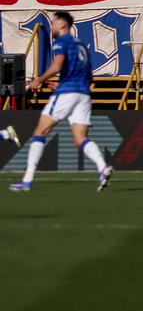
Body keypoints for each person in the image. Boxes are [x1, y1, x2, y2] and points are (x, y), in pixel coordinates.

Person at [10, 11, 112, 192]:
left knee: (40, 132)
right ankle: (103, 167)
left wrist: (39, 80)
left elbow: (57, 66)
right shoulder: (80, 45)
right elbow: (88, 75)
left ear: (63, 25)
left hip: (68, 93)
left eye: (54, 23)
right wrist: (63, 84)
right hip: (83, 94)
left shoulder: (61, 42)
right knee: (80, 138)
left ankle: (27, 180)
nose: (51, 26)